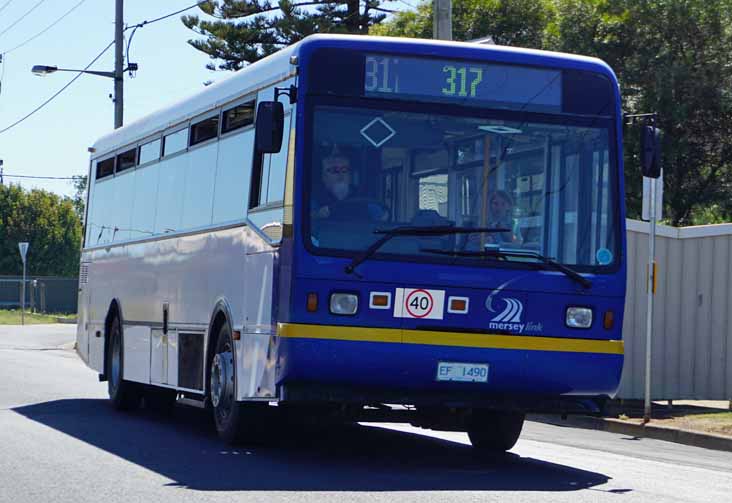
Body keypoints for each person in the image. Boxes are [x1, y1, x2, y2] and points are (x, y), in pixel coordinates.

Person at [311, 146, 387, 222]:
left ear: (351, 176)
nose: (340, 175)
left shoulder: (362, 196)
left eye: (344, 170)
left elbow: (382, 217)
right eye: (333, 170)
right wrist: (317, 215)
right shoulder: (315, 200)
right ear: (324, 177)